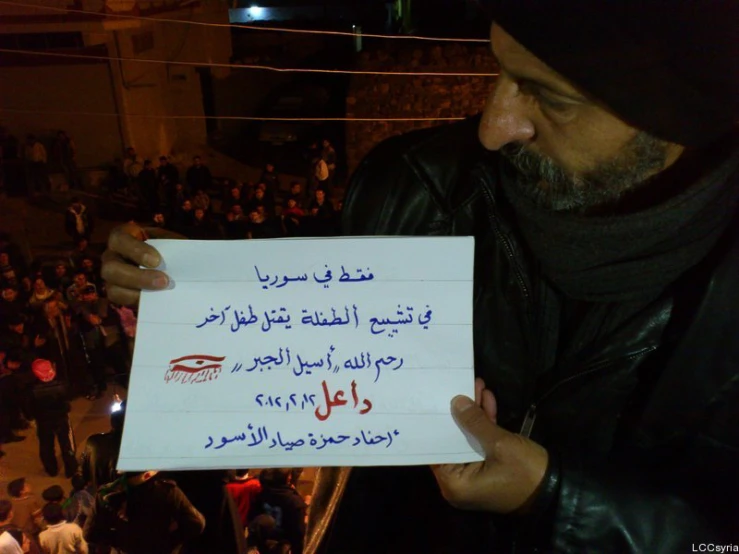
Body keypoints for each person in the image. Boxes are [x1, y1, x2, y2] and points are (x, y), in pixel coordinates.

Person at [101, 2, 739, 553]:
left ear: (677, 117)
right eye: (500, 71)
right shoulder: (416, 186)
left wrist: (556, 502)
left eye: (548, 96)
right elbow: (331, 313)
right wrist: (193, 285)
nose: (493, 128)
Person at [28, 359, 77, 478]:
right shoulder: (62, 384)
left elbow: (28, 407)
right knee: (66, 444)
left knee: (46, 445)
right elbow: (69, 397)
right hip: (61, 418)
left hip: (43, 421)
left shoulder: (32, 389)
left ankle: (51, 469)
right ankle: (71, 469)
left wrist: (32, 417)